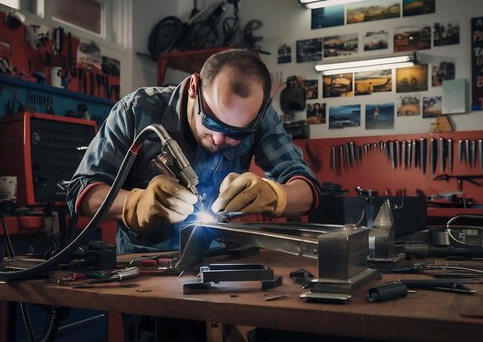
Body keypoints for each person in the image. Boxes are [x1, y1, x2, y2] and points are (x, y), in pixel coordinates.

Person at [67, 49, 320, 341]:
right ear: (192, 89)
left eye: (237, 133)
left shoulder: (258, 117)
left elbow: (308, 190)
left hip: (223, 269)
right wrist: (136, 203)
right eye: (212, 122)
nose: (220, 139)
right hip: (147, 275)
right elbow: (82, 193)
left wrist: (276, 195)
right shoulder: (137, 110)